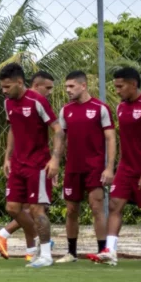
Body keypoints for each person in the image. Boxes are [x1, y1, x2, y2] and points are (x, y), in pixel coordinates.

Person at [89, 67, 141, 267]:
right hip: (126, 169)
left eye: (120, 86)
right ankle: (110, 250)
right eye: (115, 86)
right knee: (115, 205)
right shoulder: (120, 108)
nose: (117, 91)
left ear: (133, 84)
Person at [0, 63, 63, 268]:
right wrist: (7, 157)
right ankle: (40, 245)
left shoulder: (37, 101)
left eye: (8, 86)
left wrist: (55, 159)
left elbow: (58, 130)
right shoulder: (8, 103)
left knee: (37, 210)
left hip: (38, 165)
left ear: (20, 82)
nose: (4, 90)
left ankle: (45, 255)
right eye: (2, 87)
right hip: (17, 164)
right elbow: (12, 129)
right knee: (13, 208)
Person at [54, 70, 116, 263]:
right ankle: (71, 253)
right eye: (66, 87)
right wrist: (55, 162)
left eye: (71, 86)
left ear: (84, 86)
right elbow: (60, 138)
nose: (68, 90)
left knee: (97, 207)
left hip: (95, 168)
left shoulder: (100, 108)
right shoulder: (66, 110)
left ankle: (102, 252)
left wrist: (109, 167)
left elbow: (111, 137)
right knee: (72, 210)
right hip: (73, 168)